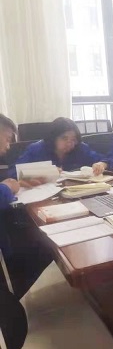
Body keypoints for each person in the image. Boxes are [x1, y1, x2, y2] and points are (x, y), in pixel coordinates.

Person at [0, 114, 53, 299]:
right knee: (43, 247)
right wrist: (6, 188)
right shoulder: (36, 148)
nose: (9, 146)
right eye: (7, 139)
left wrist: (11, 185)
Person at [15, 117, 107, 175]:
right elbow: (14, 172)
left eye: (73, 139)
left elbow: (105, 160)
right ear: (53, 137)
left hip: (74, 193)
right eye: (64, 138)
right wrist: (43, 172)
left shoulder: (80, 148)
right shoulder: (36, 150)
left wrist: (101, 164)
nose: (70, 143)